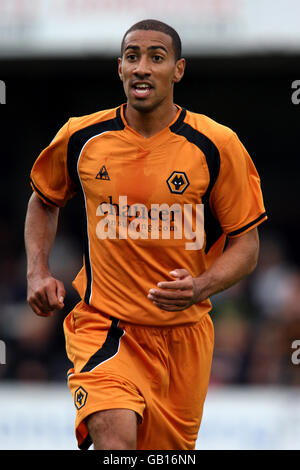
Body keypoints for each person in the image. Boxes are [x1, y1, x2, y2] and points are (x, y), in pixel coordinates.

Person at [25, 19, 267, 450]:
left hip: (184, 338)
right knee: (115, 443)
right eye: (132, 57)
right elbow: (44, 200)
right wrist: (37, 272)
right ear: (119, 68)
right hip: (105, 327)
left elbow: (246, 246)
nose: (142, 67)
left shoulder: (217, 144)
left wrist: (202, 286)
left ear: (178, 70)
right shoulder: (82, 136)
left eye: (156, 57)